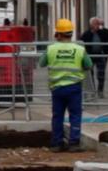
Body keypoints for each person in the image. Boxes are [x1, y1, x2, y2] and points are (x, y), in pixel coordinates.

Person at [40, 18, 93, 152]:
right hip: (74, 87)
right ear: (71, 33)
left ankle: (57, 143)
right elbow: (89, 65)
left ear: (57, 33)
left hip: (57, 87)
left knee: (57, 115)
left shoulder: (51, 49)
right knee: (75, 115)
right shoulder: (79, 49)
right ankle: (74, 143)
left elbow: (42, 63)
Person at [79, 17, 108, 98]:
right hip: (90, 56)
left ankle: (100, 91)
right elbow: (81, 43)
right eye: (95, 23)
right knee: (90, 74)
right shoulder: (86, 34)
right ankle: (92, 91)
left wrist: (107, 51)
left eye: (98, 23)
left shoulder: (104, 32)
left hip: (101, 55)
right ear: (91, 25)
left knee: (101, 74)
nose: (97, 25)